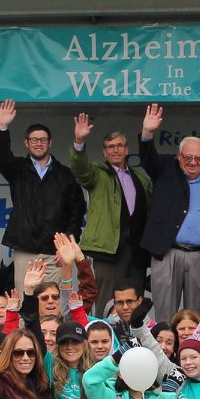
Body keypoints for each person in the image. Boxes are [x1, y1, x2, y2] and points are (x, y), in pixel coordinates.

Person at [138, 105, 200, 320]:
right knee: (165, 315)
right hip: (167, 252)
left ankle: (192, 352)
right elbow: (148, 159)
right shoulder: (165, 169)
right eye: (188, 158)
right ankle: (164, 353)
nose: (193, 162)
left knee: (195, 316)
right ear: (179, 156)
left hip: (199, 256)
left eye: (198, 158)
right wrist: (147, 133)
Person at [0, 100, 86, 288]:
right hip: (25, 250)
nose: (39, 143)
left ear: (50, 143)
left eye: (43, 139)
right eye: (34, 140)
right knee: (24, 303)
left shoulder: (65, 174)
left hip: (55, 252)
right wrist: (2, 127)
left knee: (53, 305)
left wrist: (66, 246)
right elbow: (0, 156)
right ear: (26, 143)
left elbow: (76, 212)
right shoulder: (18, 169)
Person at [70, 113, 152, 303]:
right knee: (106, 300)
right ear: (105, 152)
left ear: (126, 149)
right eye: (110, 147)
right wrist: (79, 141)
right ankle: (103, 332)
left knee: (134, 300)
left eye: (119, 145)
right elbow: (80, 169)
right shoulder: (98, 173)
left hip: (137, 250)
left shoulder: (140, 177)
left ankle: (134, 333)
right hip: (108, 249)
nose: (115, 150)